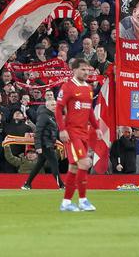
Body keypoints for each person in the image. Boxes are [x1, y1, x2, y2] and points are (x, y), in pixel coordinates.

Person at [56, 58, 101, 212]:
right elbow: (58, 109)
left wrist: (96, 127)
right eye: (83, 69)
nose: (86, 72)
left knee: (74, 167)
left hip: (84, 132)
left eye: (88, 69)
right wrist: (62, 129)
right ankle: (83, 200)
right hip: (72, 132)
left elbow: (89, 110)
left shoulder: (88, 88)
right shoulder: (68, 87)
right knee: (85, 163)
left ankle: (66, 203)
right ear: (74, 70)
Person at [21, 96, 64, 190]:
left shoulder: (52, 116)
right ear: (47, 106)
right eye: (52, 105)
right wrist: (38, 146)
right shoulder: (44, 116)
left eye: (55, 104)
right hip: (45, 144)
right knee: (54, 163)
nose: (54, 106)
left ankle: (27, 184)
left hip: (48, 143)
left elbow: (53, 131)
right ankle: (61, 185)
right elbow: (38, 131)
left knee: (39, 165)